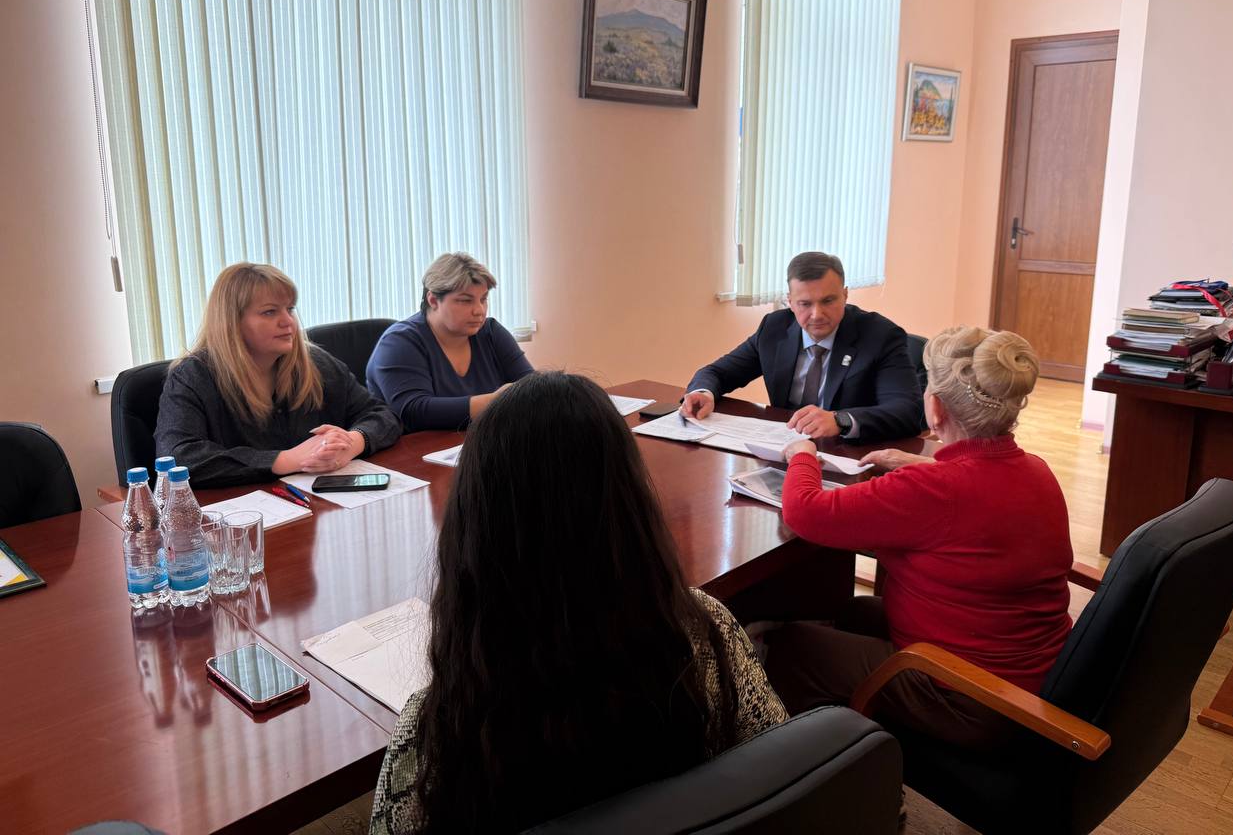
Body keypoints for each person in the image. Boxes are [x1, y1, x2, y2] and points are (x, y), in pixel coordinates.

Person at [369, 372, 788, 834]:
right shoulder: (704, 633)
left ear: (473, 527)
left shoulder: (439, 726)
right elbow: (780, 771)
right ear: (630, 503)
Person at [763, 326, 1073, 748]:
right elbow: (977, 488)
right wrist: (920, 465)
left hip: (968, 697)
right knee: (850, 612)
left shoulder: (934, 491)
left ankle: (819, 768)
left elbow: (805, 512)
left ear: (936, 408)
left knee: (791, 648)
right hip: (1025, 677)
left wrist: (803, 455)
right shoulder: (1035, 469)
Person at [155, 263, 401, 487]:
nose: (288, 322)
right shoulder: (193, 376)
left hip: (318, 504)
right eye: (270, 312)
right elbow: (177, 457)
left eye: (290, 309)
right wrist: (287, 460)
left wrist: (352, 442)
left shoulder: (316, 363)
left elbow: (383, 415)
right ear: (232, 322)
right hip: (241, 512)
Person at [681, 252, 922, 443]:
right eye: (805, 304)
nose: (817, 314)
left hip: (850, 455)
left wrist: (841, 420)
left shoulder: (880, 336)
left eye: (828, 300)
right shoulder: (774, 329)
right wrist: (704, 393)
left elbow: (907, 411)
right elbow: (717, 372)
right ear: (790, 301)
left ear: (845, 295)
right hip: (785, 448)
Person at [365, 252, 534, 431]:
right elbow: (413, 411)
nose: (479, 310)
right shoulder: (398, 342)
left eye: (483, 299)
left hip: (481, 438)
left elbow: (532, 387)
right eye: (465, 301)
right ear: (433, 300)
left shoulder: (490, 331)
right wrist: (497, 401)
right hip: (417, 445)